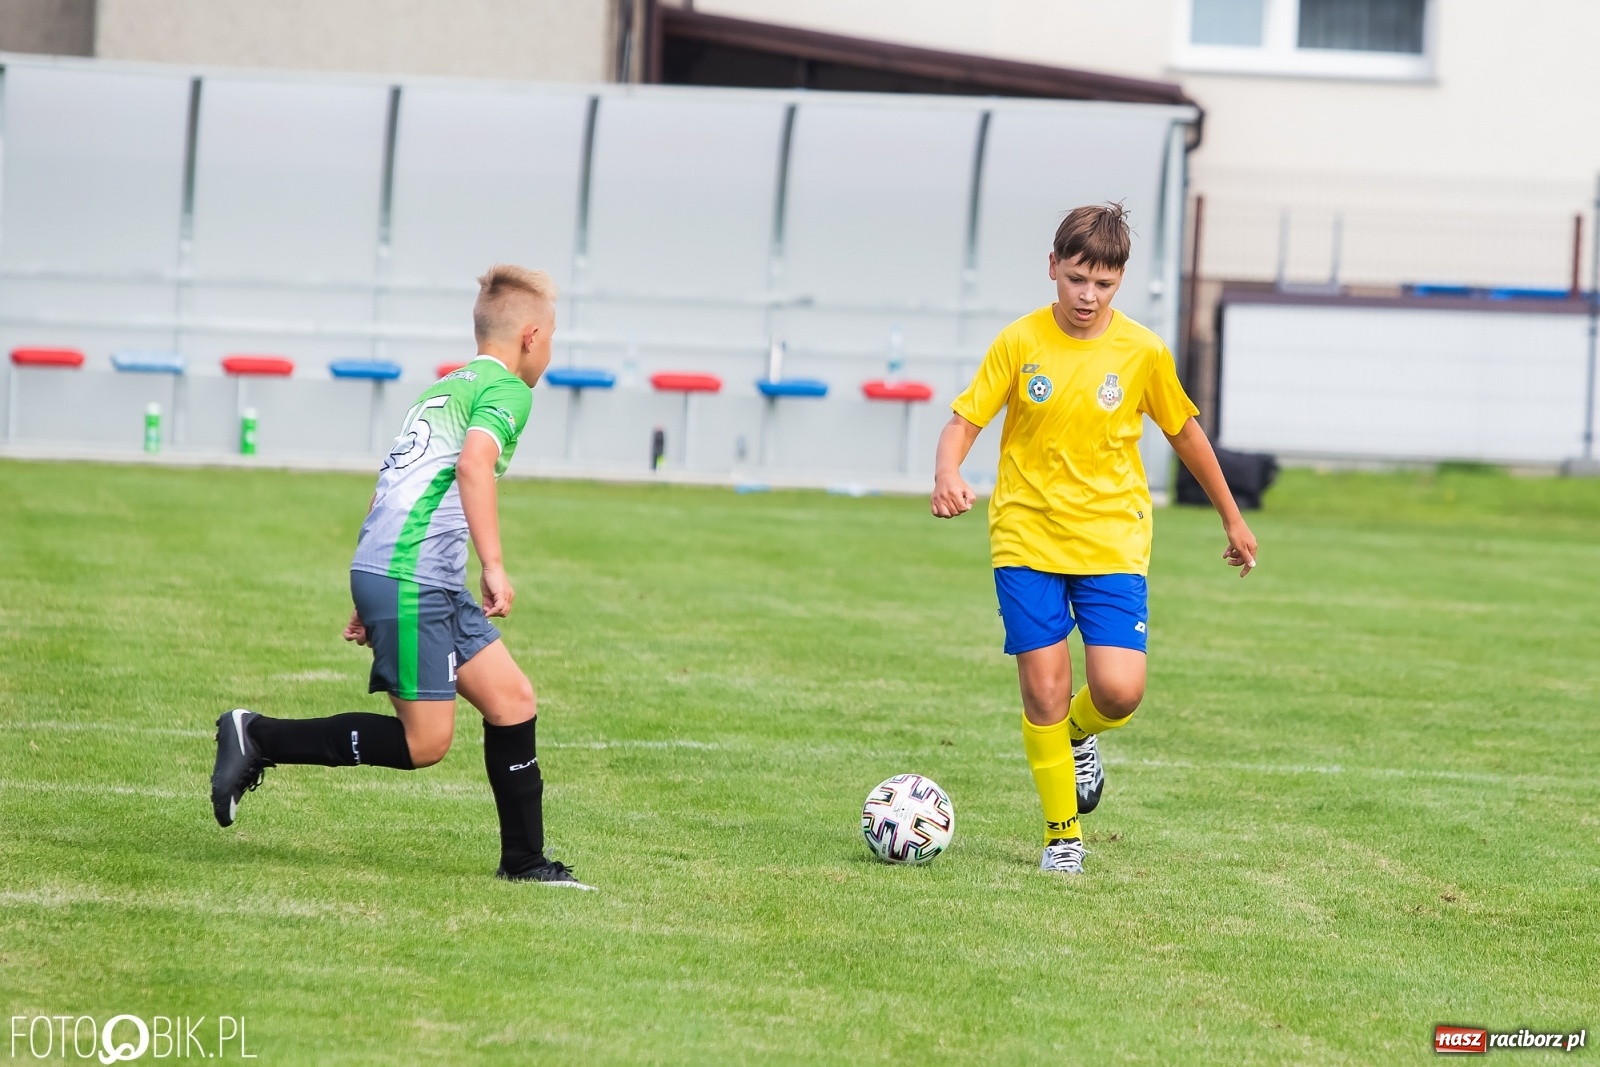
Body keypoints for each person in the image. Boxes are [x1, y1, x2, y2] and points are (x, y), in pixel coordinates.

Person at [210, 264, 592, 889]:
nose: (549, 350)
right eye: (551, 336)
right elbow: (473, 467)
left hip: (411, 573)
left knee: (512, 701)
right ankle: (259, 736)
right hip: (412, 576)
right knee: (425, 743)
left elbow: (391, 481)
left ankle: (525, 862)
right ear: (530, 337)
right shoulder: (507, 391)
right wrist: (494, 566)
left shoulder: (444, 389)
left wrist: (370, 581)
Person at [930, 204, 1257, 876]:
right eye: (1076, 278)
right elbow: (965, 420)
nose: (1088, 295)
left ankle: (1078, 735)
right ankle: (1062, 837)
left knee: (1118, 691)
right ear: (1053, 267)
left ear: (1121, 280)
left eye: (1103, 283)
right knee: (1044, 689)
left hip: (1111, 538)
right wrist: (948, 472)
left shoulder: (1142, 351)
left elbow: (1185, 433)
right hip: (1025, 534)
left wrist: (1232, 516)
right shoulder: (1019, 342)